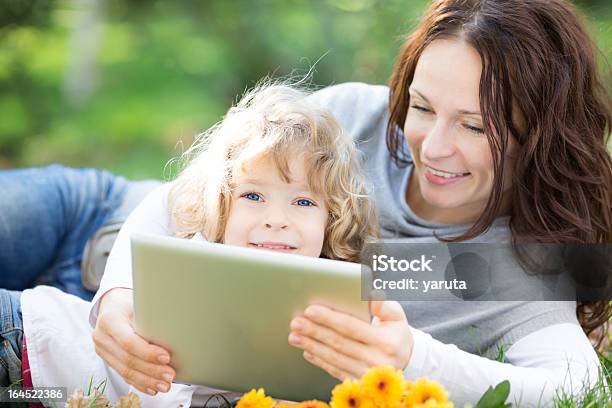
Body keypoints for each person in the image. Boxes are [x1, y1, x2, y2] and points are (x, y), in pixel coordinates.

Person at [90, 0, 611, 406]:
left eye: (474, 125)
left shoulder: (525, 268)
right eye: (422, 107)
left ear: (540, 137)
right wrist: (117, 294)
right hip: (112, 211)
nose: (431, 147)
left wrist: (412, 359)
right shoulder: (353, 119)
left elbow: (578, 390)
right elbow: (179, 196)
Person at [0, 82, 379, 407]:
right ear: (222, 202)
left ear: (332, 220)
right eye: (253, 196)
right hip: (29, 344)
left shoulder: (337, 304)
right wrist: (118, 292)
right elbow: (167, 202)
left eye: (303, 201)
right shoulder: (202, 242)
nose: (276, 218)